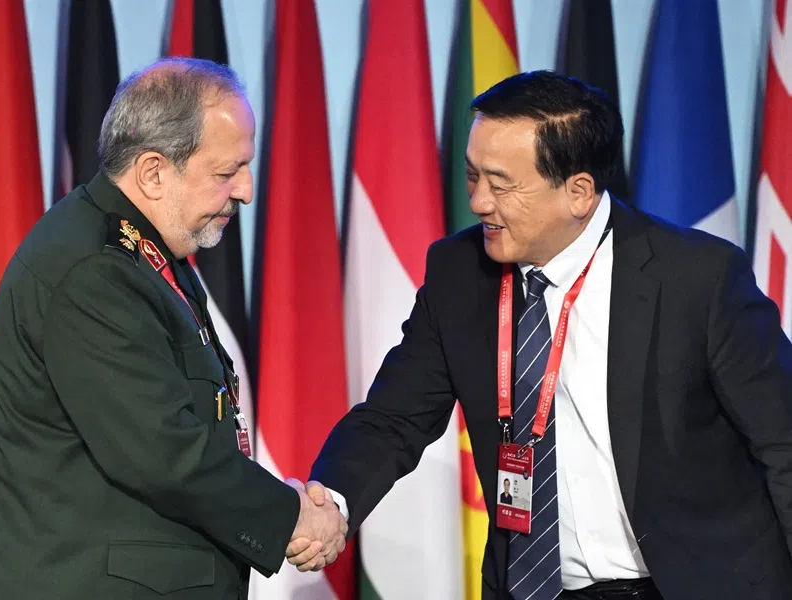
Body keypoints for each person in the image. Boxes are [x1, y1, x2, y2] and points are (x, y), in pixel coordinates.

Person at [294, 70, 792, 599]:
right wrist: (334, 505)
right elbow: (393, 419)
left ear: (578, 192)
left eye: (501, 184)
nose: (479, 201)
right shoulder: (459, 274)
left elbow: (784, 441)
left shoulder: (697, 277)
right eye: (472, 177)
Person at [0, 58, 345, 600]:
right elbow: (165, 452)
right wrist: (291, 517)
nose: (248, 191)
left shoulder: (139, 250)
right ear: (154, 172)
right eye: (227, 171)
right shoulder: (94, 271)